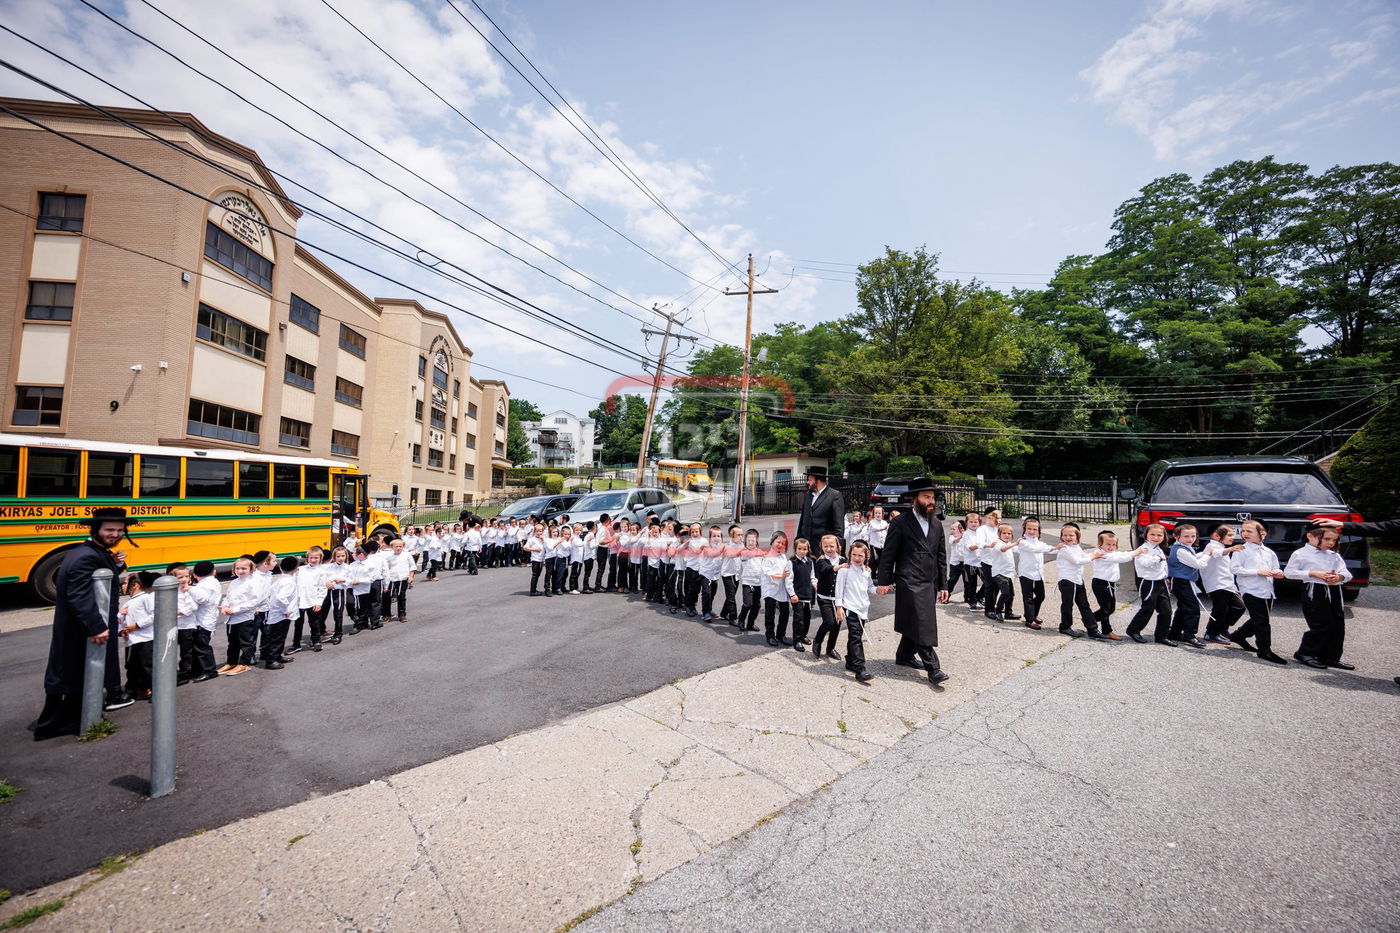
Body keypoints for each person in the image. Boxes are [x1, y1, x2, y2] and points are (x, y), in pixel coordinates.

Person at [34, 507, 138, 738]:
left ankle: (76, 719)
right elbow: (78, 594)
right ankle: (53, 725)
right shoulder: (86, 556)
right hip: (79, 628)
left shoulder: (91, 551)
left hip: (82, 625)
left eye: (120, 530)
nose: (115, 534)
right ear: (96, 529)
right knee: (70, 673)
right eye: (110, 530)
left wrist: (116, 564)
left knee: (78, 673)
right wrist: (96, 626)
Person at [875, 477, 951, 685]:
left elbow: (941, 557)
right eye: (926, 497)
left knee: (916, 619)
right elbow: (888, 554)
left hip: (929, 581)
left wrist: (944, 584)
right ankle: (933, 668)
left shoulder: (936, 524)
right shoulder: (900, 522)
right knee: (921, 621)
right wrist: (883, 581)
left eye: (933, 497)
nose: (931, 501)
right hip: (908, 579)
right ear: (914, 499)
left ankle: (904, 655)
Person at [1286, 525, 1353, 669]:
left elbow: (1346, 573)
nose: (1330, 543)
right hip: (1314, 589)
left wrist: (1339, 577)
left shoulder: (1333, 555)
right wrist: (1312, 573)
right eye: (1326, 539)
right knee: (1320, 623)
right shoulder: (1301, 554)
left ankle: (1330, 656)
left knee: (1337, 624)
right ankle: (1305, 652)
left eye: (1333, 540)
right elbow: (1289, 572)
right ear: (1310, 536)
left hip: (1334, 590)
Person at [1230, 520, 1288, 665]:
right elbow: (1235, 569)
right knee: (1262, 621)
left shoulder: (1269, 552)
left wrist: (1279, 573)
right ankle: (1264, 650)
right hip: (1250, 589)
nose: (1244, 534)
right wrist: (1256, 572)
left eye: (1249, 531)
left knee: (1260, 618)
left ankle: (1238, 635)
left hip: (1267, 590)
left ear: (1262, 534)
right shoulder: (1241, 550)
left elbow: (1276, 567)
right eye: (1243, 531)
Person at [835, 540, 878, 683]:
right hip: (850, 608)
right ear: (849, 555)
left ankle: (850, 662)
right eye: (854, 555)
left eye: (860, 555)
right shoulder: (844, 570)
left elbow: (870, 587)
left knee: (856, 635)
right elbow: (839, 590)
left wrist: (879, 590)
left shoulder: (866, 571)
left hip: (862, 608)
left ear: (866, 557)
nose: (857, 558)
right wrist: (839, 607)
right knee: (856, 638)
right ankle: (860, 669)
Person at [1052, 523, 1104, 638]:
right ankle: (1065, 626)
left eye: (1071, 535)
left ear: (1077, 537)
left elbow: (1083, 556)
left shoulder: (1076, 547)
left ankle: (1092, 629)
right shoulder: (1065, 549)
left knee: (1084, 604)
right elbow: (1077, 561)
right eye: (1065, 535)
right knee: (1067, 604)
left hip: (1078, 580)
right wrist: (1093, 557)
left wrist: (1096, 553)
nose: (1068, 538)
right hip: (1067, 581)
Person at [1124, 523, 1173, 645]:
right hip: (1148, 582)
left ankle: (1162, 636)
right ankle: (1133, 630)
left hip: (1160, 581)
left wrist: (1165, 576)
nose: (1156, 537)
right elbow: (1145, 563)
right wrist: (1158, 558)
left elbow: (1162, 565)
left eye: (1159, 535)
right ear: (1146, 535)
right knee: (1148, 608)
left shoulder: (1157, 548)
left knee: (1166, 610)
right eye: (1152, 534)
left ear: (1164, 537)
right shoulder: (1144, 548)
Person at [1089, 531, 1140, 641]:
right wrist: (1136, 553)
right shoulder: (1101, 554)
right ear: (1100, 544)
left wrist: (1136, 552)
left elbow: (1121, 554)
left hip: (1109, 583)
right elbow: (1120, 559)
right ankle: (1090, 620)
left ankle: (1106, 631)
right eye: (1108, 544)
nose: (1111, 547)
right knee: (1107, 609)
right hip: (1101, 583)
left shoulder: (1112, 552)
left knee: (1108, 608)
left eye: (1114, 544)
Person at [1201, 525, 1247, 645]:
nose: (1233, 538)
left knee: (1239, 607)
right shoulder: (1212, 546)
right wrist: (1231, 549)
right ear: (1217, 536)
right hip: (1217, 584)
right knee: (1219, 609)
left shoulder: (1221, 546)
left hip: (1228, 584)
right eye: (1230, 535)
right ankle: (1211, 633)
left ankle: (1220, 628)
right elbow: (1217, 553)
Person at [1166, 524, 1210, 648]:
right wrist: (1208, 554)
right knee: (1193, 608)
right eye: (1186, 536)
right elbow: (1198, 564)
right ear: (1176, 536)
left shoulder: (1184, 547)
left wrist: (1204, 553)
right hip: (1181, 582)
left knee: (1183, 607)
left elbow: (1193, 558)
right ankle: (1189, 635)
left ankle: (1174, 632)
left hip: (1183, 581)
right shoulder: (1180, 550)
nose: (1190, 539)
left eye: (1193, 536)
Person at [117, 571, 158, 698]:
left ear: (134, 585)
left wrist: (138, 625)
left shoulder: (146, 598)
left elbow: (154, 614)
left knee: (148, 666)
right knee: (132, 667)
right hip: (131, 640)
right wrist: (121, 630)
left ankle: (155, 691)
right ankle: (131, 690)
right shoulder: (128, 602)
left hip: (146, 638)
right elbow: (121, 620)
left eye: (125, 583)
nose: (123, 586)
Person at [809, 534, 845, 660]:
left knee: (837, 624)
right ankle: (817, 641)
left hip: (839, 598)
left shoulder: (843, 560)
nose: (829, 549)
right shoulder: (821, 561)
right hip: (824, 597)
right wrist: (838, 567)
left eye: (831, 546)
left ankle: (830, 648)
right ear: (821, 547)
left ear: (838, 546)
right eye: (826, 546)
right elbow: (825, 570)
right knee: (829, 622)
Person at [1016, 517, 1055, 630]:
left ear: (1038, 530)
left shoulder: (1040, 543)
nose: (1032, 531)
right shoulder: (1023, 542)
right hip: (1026, 573)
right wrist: (1052, 548)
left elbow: (1050, 549)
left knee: (1041, 595)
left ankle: (1033, 614)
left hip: (1038, 574)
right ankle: (1029, 620)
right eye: (1029, 529)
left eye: (1034, 529)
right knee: (1028, 597)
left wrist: (1063, 548)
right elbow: (1035, 549)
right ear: (1024, 529)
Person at [796, 466, 845, 552]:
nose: (808, 482)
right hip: (806, 547)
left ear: (817, 481)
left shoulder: (834, 496)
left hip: (824, 547)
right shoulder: (808, 495)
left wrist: (838, 545)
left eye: (810, 480)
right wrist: (798, 540)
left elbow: (839, 525)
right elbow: (803, 520)